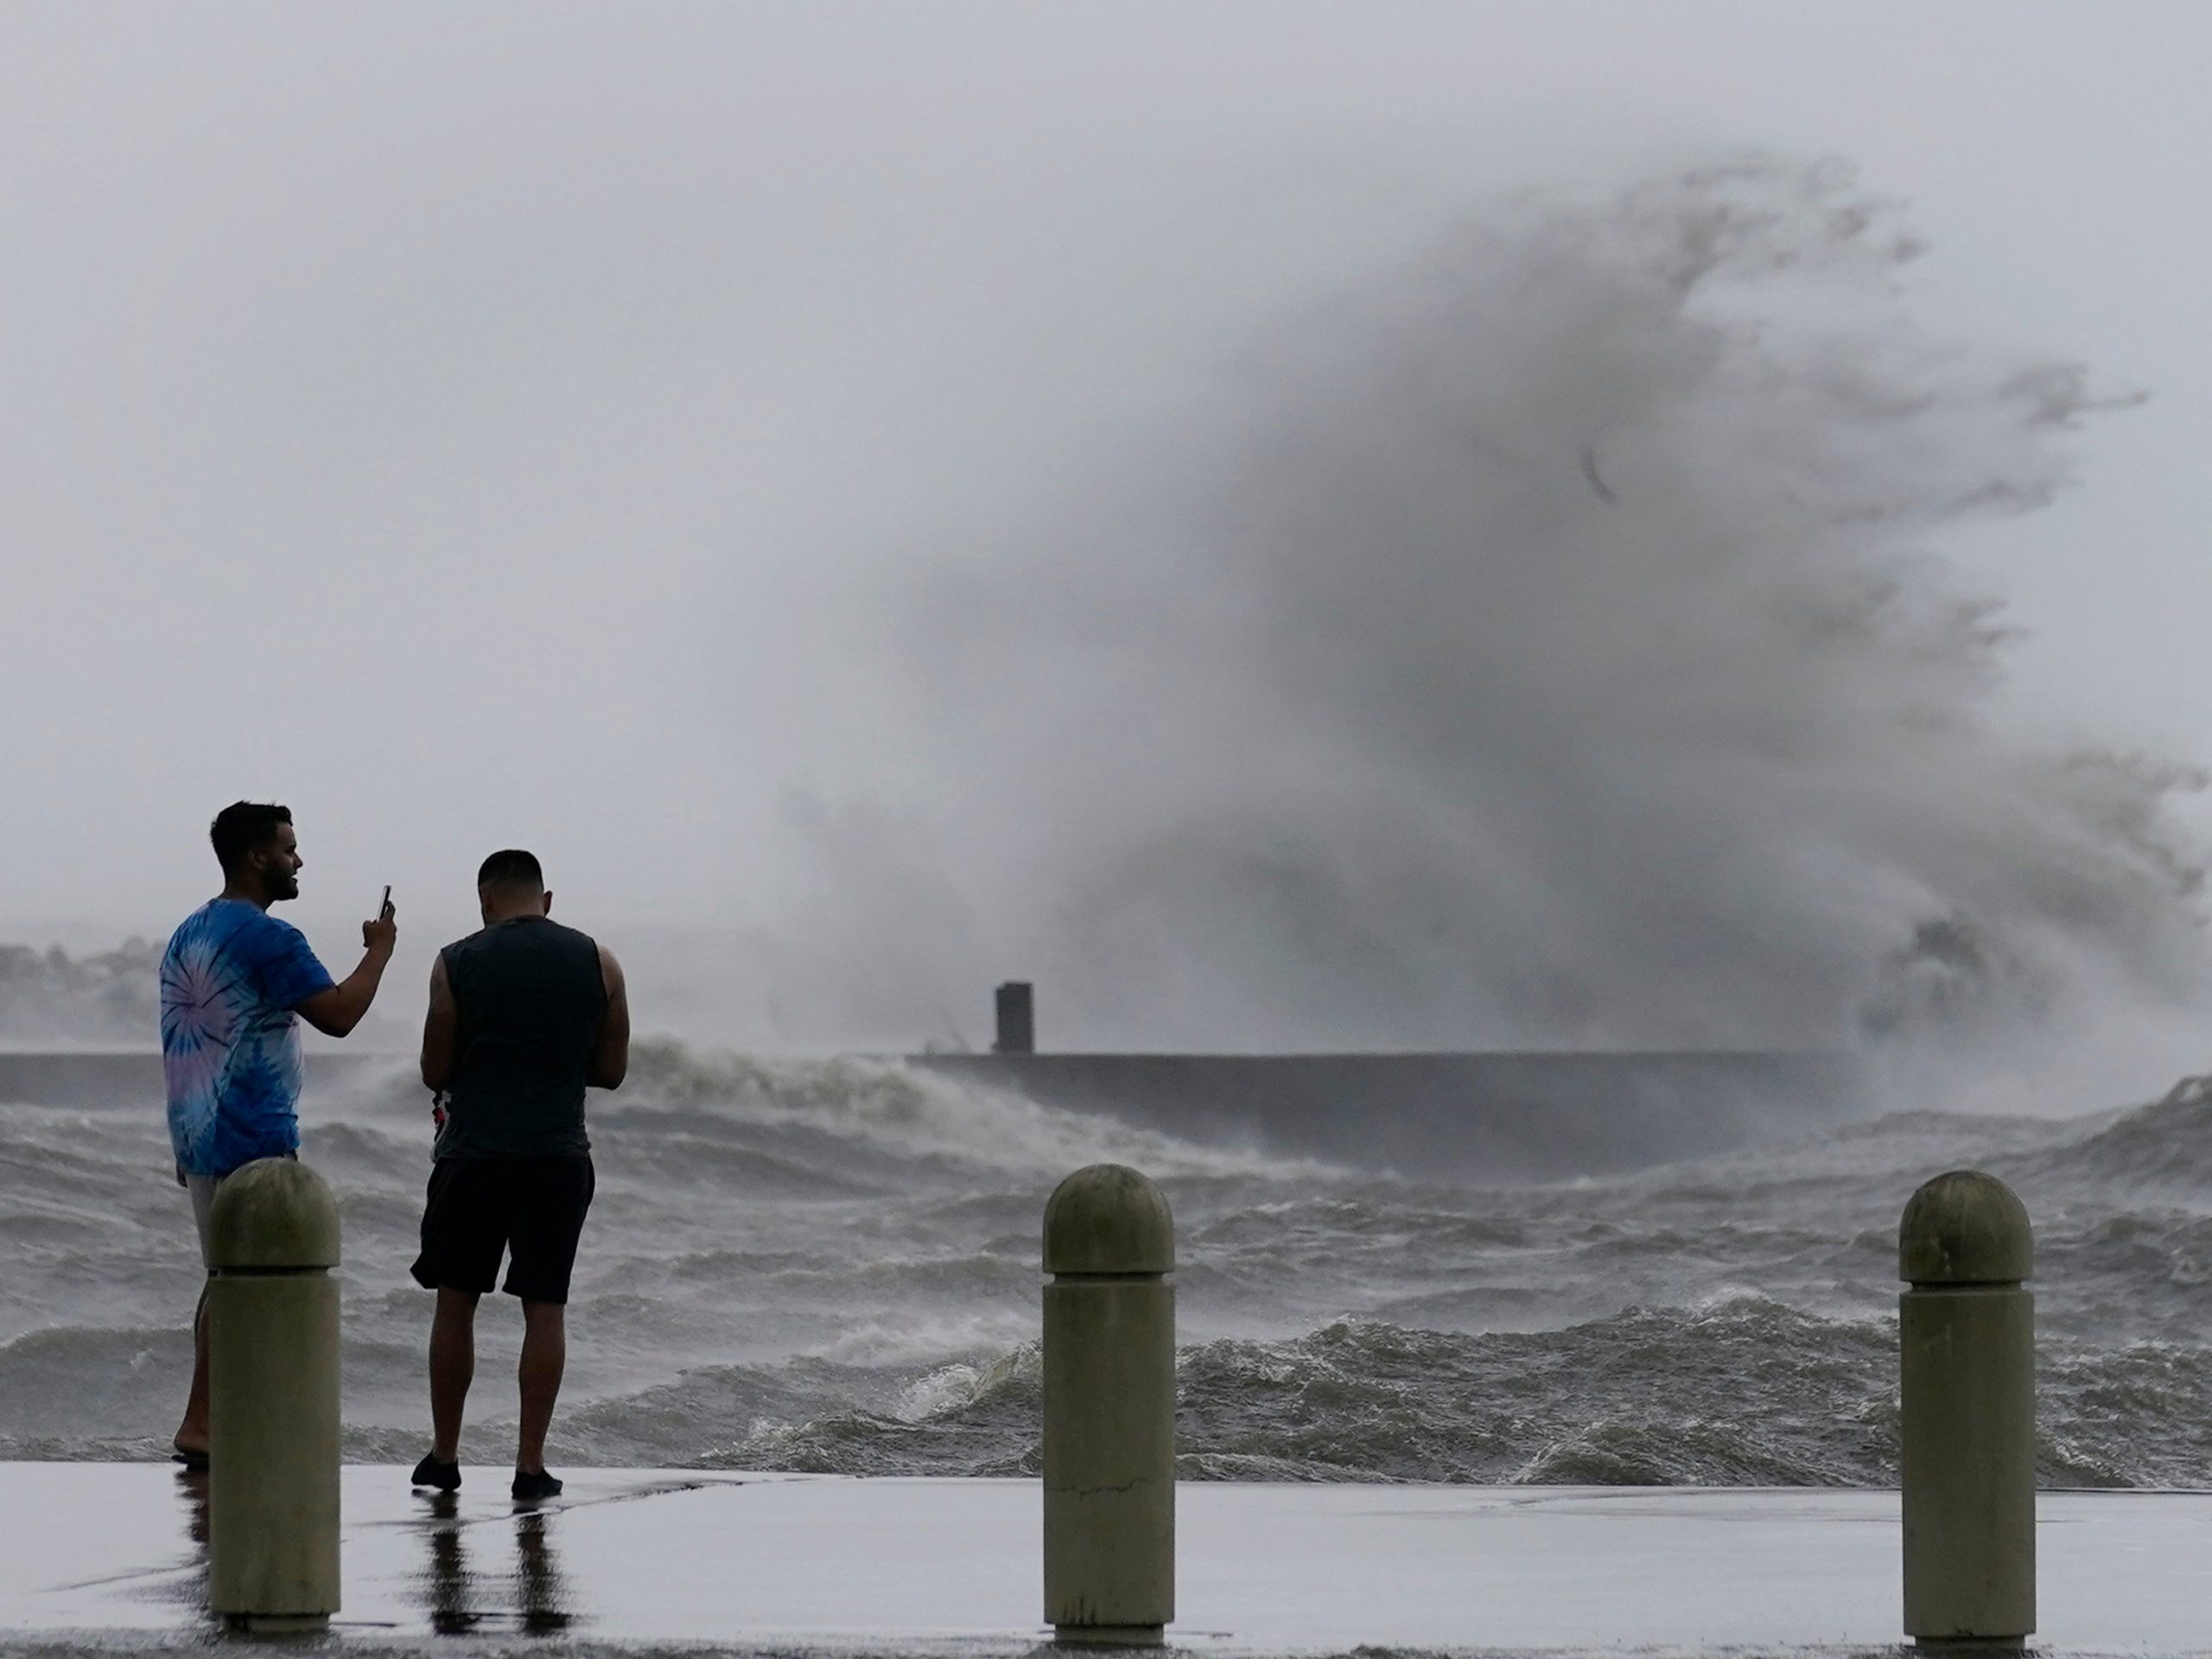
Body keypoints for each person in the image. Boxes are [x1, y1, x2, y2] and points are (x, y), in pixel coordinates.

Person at [160, 801, 397, 1471]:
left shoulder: (190, 931)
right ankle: (210, 1423)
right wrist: (378, 953)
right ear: (258, 856)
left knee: (223, 1282)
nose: (299, 860)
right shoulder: (271, 938)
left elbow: (184, 1039)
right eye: (290, 848)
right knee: (250, 1287)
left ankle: (207, 1420)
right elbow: (341, 1016)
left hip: (200, 1137)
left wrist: (184, 1140)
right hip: (254, 1137)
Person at [409, 849, 629, 1500]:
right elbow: (612, 1071)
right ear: (547, 899)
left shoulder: (455, 960)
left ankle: (445, 1457)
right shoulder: (601, 961)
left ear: (485, 901)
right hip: (559, 1157)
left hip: (473, 1156)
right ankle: (530, 1466)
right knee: (545, 1308)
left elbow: (433, 1068)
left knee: (456, 1304)